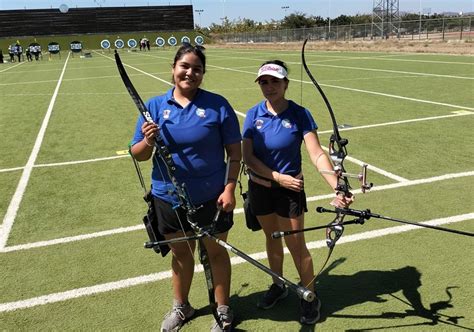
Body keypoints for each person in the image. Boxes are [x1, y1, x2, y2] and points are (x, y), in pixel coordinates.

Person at [130, 43, 242, 332]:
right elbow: (138, 154)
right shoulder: (154, 107)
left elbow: (235, 153)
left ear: (203, 74)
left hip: (211, 197)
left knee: (215, 252)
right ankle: (182, 306)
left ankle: (223, 309)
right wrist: (149, 140)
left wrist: (229, 188)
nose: (190, 73)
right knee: (181, 255)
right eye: (185, 66)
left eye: (197, 69)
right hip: (167, 197)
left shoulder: (217, 105)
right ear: (174, 68)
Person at [242, 60, 353, 325]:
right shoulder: (252, 114)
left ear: (285, 84)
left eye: (275, 82)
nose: (269, 87)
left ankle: (310, 296)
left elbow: (316, 153)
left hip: (290, 192)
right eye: (264, 82)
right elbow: (248, 157)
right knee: (272, 238)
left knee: (296, 245)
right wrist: (278, 177)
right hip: (262, 188)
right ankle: (278, 284)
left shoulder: (300, 114)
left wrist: (337, 185)